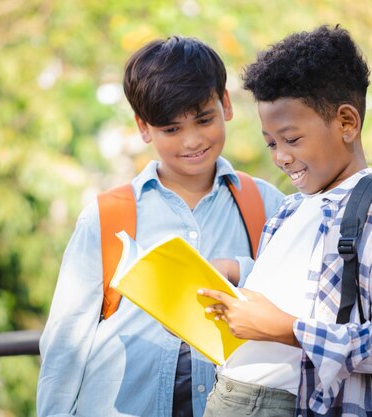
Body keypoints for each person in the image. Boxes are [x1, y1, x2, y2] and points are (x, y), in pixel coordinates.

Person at [36, 35, 284, 417]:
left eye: (204, 119)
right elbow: (65, 345)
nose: (192, 141)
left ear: (226, 104)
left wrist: (239, 269)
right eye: (171, 129)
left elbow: (294, 308)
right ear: (143, 127)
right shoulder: (108, 215)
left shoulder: (266, 206)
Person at [199, 25, 372, 417]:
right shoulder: (288, 211)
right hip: (226, 395)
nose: (280, 157)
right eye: (271, 143)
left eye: (291, 139)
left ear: (346, 123)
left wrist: (286, 329)